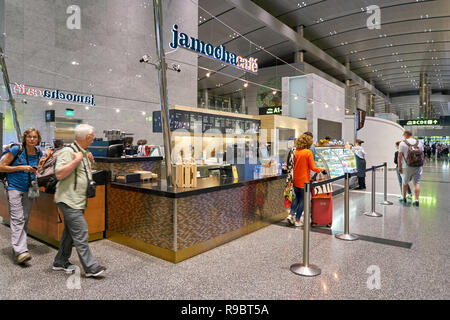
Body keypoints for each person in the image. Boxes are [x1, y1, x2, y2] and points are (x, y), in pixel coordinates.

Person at [52, 124, 106, 277]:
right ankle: (91, 267)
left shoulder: (83, 152)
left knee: (70, 233)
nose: (94, 138)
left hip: (78, 200)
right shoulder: (68, 152)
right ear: (87, 137)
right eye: (93, 135)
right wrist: (76, 160)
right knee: (81, 232)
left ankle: (60, 261)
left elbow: (83, 174)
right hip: (68, 200)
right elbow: (59, 174)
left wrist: (89, 161)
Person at [0, 128, 43, 264]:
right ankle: (21, 251)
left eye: (34, 137)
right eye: (29, 137)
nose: (32, 139)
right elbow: (2, 167)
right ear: (25, 138)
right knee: (17, 218)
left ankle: (18, 248)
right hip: (14, 187)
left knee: (25, 218)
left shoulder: (38, 152)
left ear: (38, 139)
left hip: (30, 187)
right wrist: (21, 167)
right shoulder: (16, 150)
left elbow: (39, 168)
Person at [286, 134, 326, 227]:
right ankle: (297, 220)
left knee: (296, 199)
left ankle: (291, 214)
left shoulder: (295, 152)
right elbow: (313, 167)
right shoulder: (308, 152)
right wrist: (321, 169)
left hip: (295, 179)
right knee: (303, 201)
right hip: (304, 180)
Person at [398, 130, 424, 206]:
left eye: (404, 135)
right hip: (418, 166)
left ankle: (404, 198)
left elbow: (399, 156)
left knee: (405, 182)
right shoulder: (419, 143)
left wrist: (399, 167)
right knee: (416, 183)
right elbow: (422, 155)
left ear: (406, 134)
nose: (404, 136)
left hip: (406, 166)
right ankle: (416, 200)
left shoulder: (402, 143)